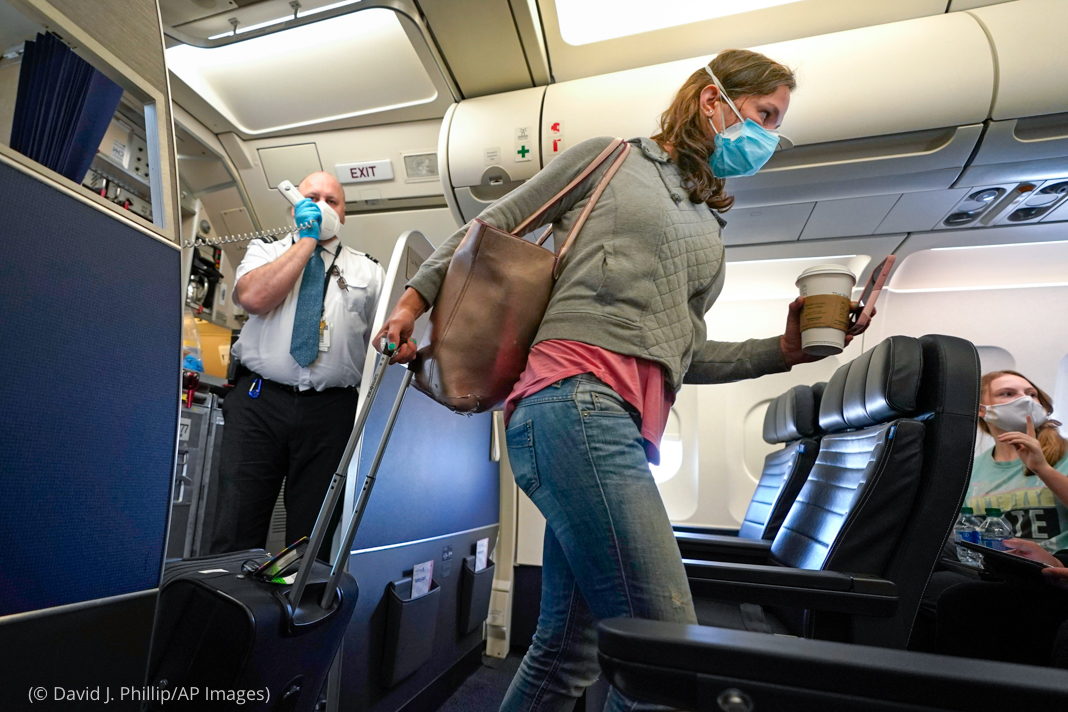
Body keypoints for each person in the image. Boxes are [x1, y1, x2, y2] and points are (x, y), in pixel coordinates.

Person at [377, 50, 860, 712]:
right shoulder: (611, 159)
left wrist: (782, 350)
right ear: (712, 101)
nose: (769, 137)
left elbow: (681, 357)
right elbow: (489, 228)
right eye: (764, 115)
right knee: (668, 655)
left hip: (618, 429)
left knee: (567, 652)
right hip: (574, 404)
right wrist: (410, 301)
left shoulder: (707, 225)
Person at [210, 171, 385, 558]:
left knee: (313, 538)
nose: (323, 206)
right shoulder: (265, 252)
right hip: (259, 404)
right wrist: (307, 240)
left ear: (345, 213)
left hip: (330, 410)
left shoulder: (370, 273)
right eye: (312, 198)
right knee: (236, 524)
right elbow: (253, 298)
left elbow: (382, 344)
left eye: (332, 201)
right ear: (294, 207)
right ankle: (231, 615)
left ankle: (296, 614)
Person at [968, 370, 1068, 551]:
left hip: (1053, 566)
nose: (1026, 400)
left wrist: (1043, 469)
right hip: (991, 566)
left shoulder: (1065, 453)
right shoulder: (972, 469)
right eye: (1008, 393)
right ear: (982, 410)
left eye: (1032, 394)